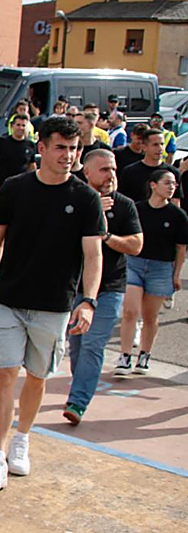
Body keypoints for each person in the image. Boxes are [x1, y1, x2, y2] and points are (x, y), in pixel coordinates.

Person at [0, 117, 105, 490]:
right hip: (10, 300)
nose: (68, 155)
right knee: (5, 374)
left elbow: (93, 256)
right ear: (43, 148)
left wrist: (89, 301)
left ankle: (22, 438)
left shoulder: (85, 198)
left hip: (55, 305)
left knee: (37, 376)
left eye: (74, 148)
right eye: (61, 147)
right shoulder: (16, 189)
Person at [63, 149, 142, 423]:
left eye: (114, 169)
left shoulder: (125, 205)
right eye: (105, 170)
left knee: (93, 345)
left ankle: (77, 401)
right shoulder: (74, 199)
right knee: (77, 345)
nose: (111, 175)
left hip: (110, 287)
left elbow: (135, 245)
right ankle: (80, 385)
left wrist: (106, 235)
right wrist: (92, 211)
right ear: (87, 172)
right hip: (74, 287)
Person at [115, 167, 187, 375]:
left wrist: (176, 274)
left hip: (161, 266)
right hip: (134, 263)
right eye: (167, 183)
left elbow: (181, 248)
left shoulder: (177, 215)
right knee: (130, 311)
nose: (172, 187)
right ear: (153, 185)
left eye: (174, 184)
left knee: (150, 315)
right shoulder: (137, 209)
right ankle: (125, 355)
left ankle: (144, 355)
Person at [120, 127, 184, 207]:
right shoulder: (129, 172)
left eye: (162, 144)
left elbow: (176, 201)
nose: (160, 148)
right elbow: (123, 201)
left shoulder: (172, 172)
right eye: (155, 145)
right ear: (144, 146)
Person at [0, 114, 37, 204]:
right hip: (1, 187)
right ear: (12, 126)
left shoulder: (30, 145)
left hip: (21, 188)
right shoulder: (2, 142)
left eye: (23, 125)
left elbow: (32, 166)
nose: (20, 128)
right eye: (18, 125)